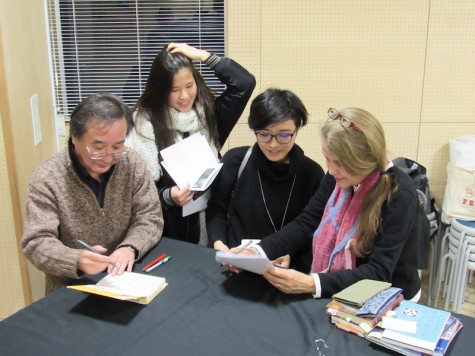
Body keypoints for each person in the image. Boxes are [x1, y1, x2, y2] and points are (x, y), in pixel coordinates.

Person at [231, 107, 422, 301]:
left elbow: (379, 272)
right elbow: (307, 222)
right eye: (327, 159)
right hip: (341, 288)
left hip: (391, 298)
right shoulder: (339, 177)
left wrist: (312, 283)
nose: (330, 170)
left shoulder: (399, 193)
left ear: (363, 160)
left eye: (339, 162)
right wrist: (256, 252)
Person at [22, 93, 163, 294]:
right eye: (98, 146)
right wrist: (76, 259)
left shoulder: (132, 163)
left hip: (125, 276)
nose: (108, 156)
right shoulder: (48, 177)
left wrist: (129, 247)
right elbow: (36, 242)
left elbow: (150, 216)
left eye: (117, 146)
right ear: (74, 138)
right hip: (70, 286)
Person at [127, 43, 255, 245]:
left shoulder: (209, 115)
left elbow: (244, 83)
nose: (184, 96)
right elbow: (135, 193)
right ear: (160, 90)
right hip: (166, 233)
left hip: (211, 227)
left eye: (189, 85)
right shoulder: (145, 125)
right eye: (174, 90)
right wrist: (169, 196)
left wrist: (202, 56)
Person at [206, 88, 325, 271]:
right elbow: (216, 211)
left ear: (297, 128)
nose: (273, 144)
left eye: (284, 135)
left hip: (284, 272)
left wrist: (290, 255)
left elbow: (314, 230)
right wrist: (220, 245)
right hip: (233, 264)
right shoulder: (235, 162)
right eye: (264, 134)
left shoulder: (312, 173)